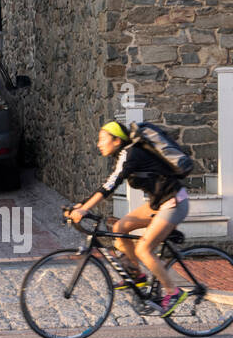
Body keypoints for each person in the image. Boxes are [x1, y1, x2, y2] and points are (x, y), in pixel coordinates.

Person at [67, 121, 191, 316]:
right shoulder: (125, 154)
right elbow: (108, 183)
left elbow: (110, 185)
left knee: (143, 249)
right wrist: (81, 206)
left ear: (116, 140)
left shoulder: (130, 153)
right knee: (119, 228)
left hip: (174, 202)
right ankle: (138, 275)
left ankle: (173, 292)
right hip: (158, 203)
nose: (99, 144)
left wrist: (83, 208)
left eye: (102, 140)